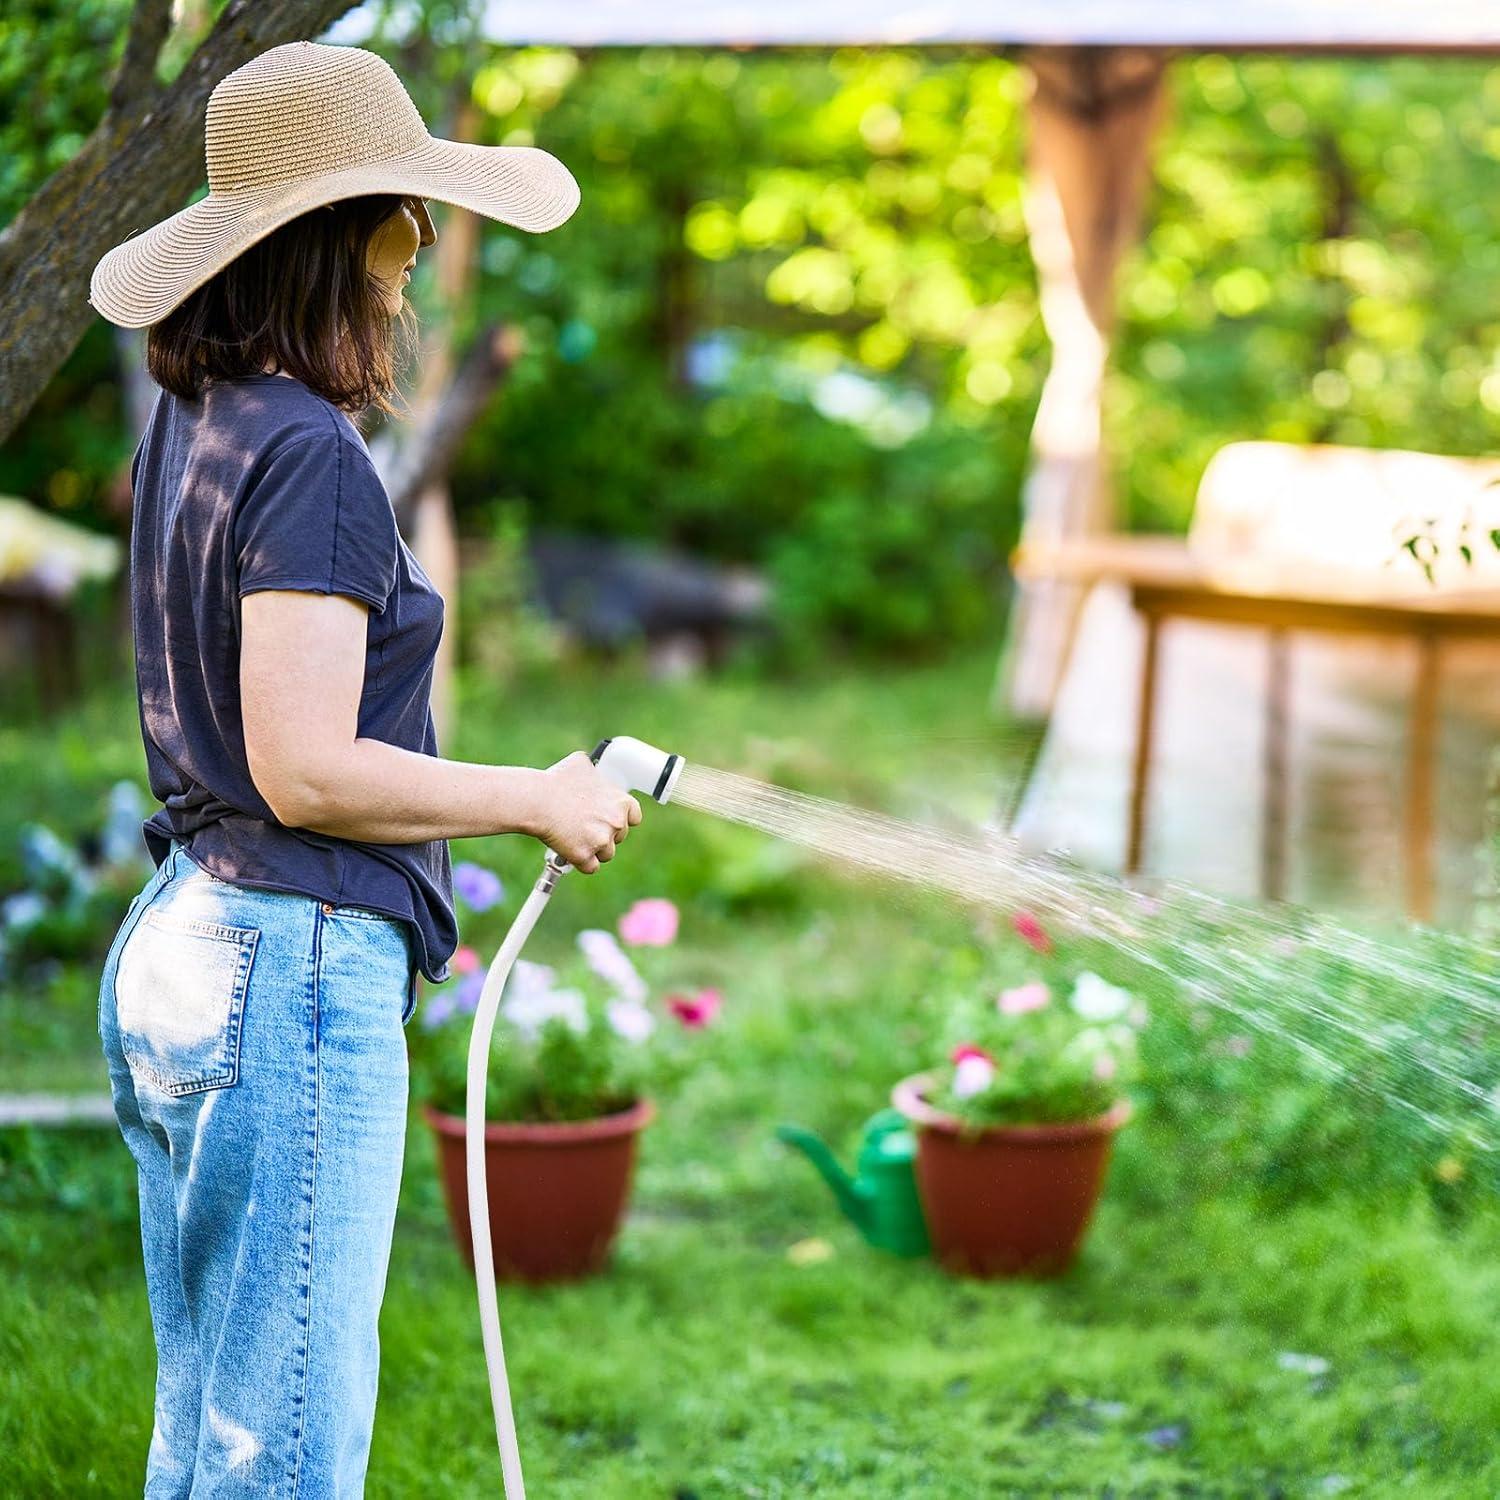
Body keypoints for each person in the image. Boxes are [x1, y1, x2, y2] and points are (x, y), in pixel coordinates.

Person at [88, 40, 639, 1496]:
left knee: (209, 1433)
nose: (421, 249)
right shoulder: (313, 456)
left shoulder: (202, 427)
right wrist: (537, 800)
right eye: (406, 215)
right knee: (282, 1455)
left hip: (189, 936)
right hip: (288, 962)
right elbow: (308, 770)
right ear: (338, 238)